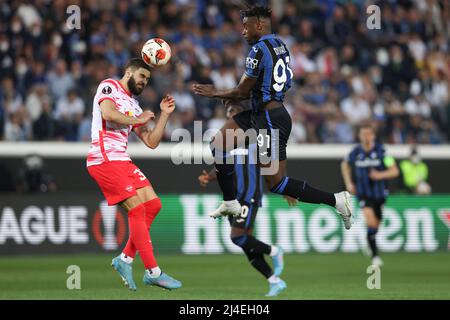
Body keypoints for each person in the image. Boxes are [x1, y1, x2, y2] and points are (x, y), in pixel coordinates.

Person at [192, 6, 352, 229]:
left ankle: (336, 200)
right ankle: (230, 201)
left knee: (277, 184)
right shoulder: (280, 44)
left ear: (258, 25)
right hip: (264, 114)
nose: (242, 31)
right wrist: (238, 98)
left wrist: (215, 93)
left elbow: (242, 91)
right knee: (219, 143)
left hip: (269, 120)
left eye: (246, 26)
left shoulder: (258, 50)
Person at [86, 58, 181, 291]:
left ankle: (125, 259)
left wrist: (164, 115)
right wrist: (138, 119)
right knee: (137, 210)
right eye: (141, 76)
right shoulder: (109, 86)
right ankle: (153, 272)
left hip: (122, 159)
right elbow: (108, 114)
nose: (144, 82)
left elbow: (151, 142)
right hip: (104, 158)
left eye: (147, 79)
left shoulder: (135, 105)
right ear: (128, 72)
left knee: (154, 205)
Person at [198, 100, 297, 297]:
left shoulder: (254, 137)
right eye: (228, 112)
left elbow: (270, 163)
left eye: (233, 110)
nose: (230, 114)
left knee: (237, 237)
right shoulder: (225, 141)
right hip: (233, 199)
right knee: (246, 244)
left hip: (249, 194)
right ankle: (274, 281)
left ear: (242, 114)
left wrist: (284, 185)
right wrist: (209, 177)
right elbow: (223, 166)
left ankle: (275, 251)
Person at [341, 123, 400, 267]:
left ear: (373, 135)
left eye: (368, 133)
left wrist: (379, 175)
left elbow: (394, 171)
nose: (365, 136)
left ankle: (369, 240)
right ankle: (375, 257)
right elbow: (344, 165)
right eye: (363, 134)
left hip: (380, 194)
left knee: (376, 225)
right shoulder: (355, 152)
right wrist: (349, 183)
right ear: (359, 136)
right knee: (371, 222)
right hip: (364, 194)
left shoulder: (382, 152)